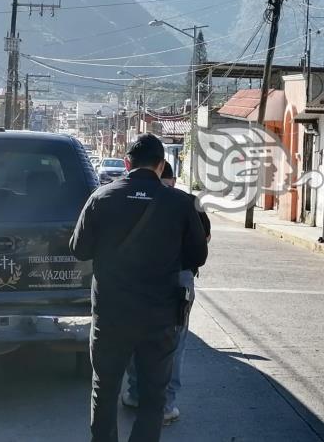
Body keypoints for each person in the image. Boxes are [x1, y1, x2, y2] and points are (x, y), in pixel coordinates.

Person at [70, 134, 208, 442]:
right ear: (161, 166)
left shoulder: (101, 198)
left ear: (127, 163)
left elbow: (79, 250)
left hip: (111, 315)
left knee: (104, 390)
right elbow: (197, 256)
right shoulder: (181, 204)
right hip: (159, 316)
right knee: (153, 395)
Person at [122, 161, 211, 426]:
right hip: (178, 280)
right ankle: (164, 405)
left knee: (135, 338)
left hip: (136, 279)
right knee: (173, 345)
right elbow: (202, 243)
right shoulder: (187, 202)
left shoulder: (129, 198)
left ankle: (137, 393)